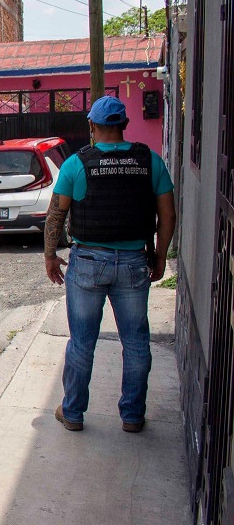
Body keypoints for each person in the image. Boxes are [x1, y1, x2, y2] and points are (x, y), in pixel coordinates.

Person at [43, 95, 176, 434]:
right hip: (133, 263)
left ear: (92, 126)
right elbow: (167, 214)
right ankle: (132, 416)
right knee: (135, 343)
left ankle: (72, 412)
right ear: (125, 125)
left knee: (82, 342)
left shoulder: (77, 164)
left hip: (87, 263)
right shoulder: (151, 162)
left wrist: (49, 256)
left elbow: (56, 214)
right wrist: (160, 257)